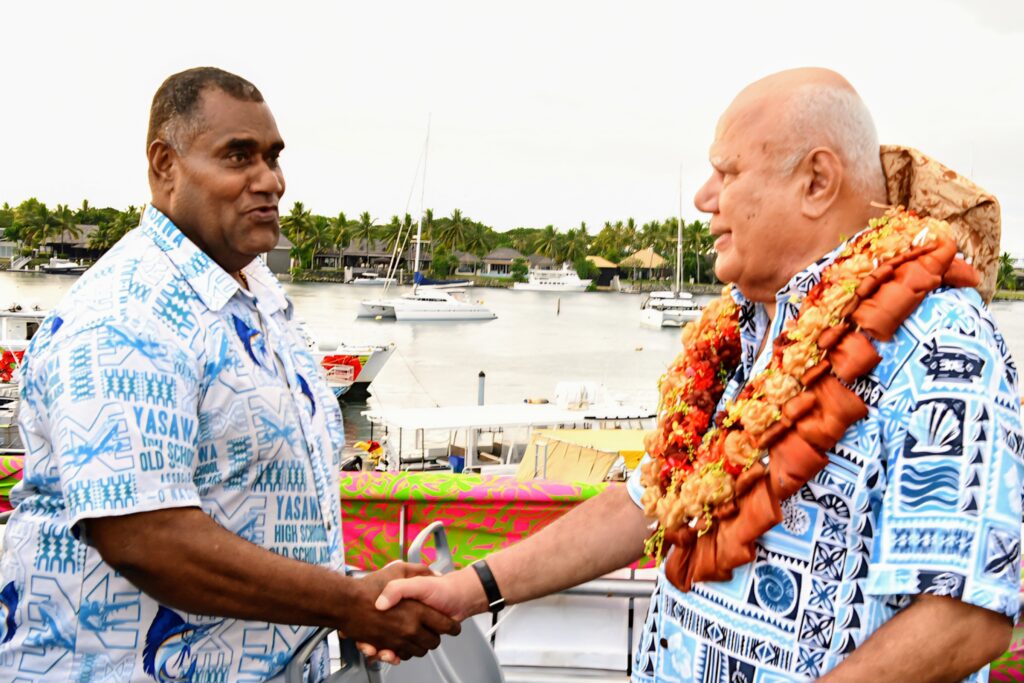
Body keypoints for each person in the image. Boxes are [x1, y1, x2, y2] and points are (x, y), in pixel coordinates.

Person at [375, 67, 1023, 682]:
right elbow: (646, 505)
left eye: (727, 171)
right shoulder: (740, 335)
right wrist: (466, 589)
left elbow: (965, 617)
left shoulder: (941, 343)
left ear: (816, 182)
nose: (703, 197)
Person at [0, 67, 458, 682]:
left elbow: (246, 502)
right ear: (165, 165)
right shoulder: (125, 316)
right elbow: (149, 539)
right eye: (238, 156)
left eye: (273, 157)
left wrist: (354, 588)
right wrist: (348, 603)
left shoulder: (255, 292)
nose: (269, 180)